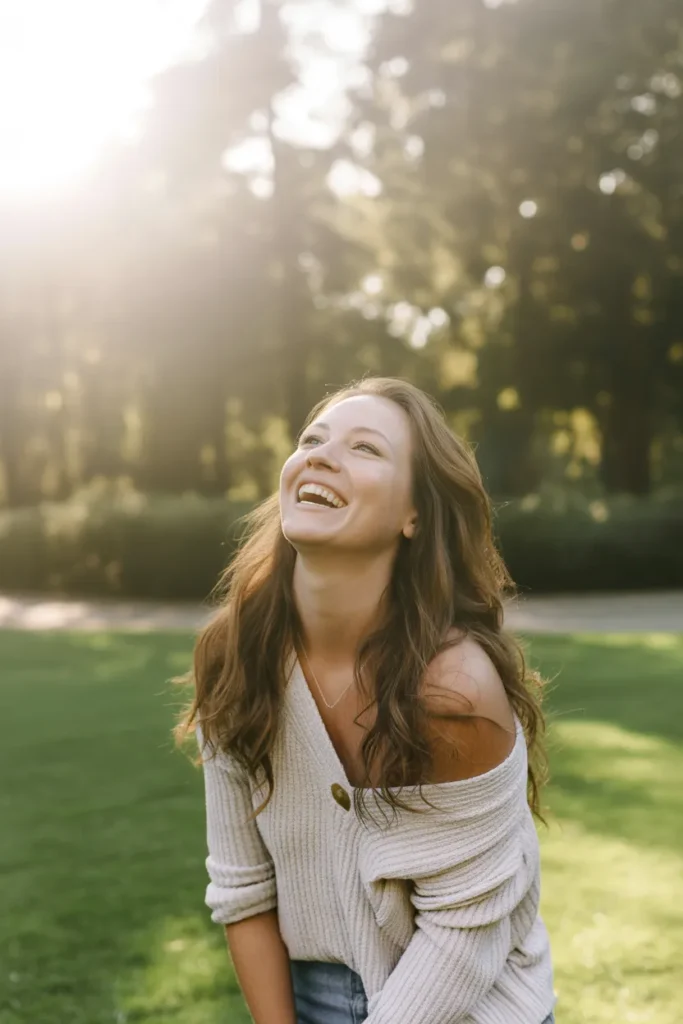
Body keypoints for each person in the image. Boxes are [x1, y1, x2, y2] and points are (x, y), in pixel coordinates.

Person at [176, 377, 556, 1024]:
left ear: (415, 515)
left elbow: (462, 936)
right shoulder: (234, 657)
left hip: (472, 1001)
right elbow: (242, 890)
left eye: (365, 449)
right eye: (311, 440)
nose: (320, 455)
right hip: (307, 996)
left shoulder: (455, 689)